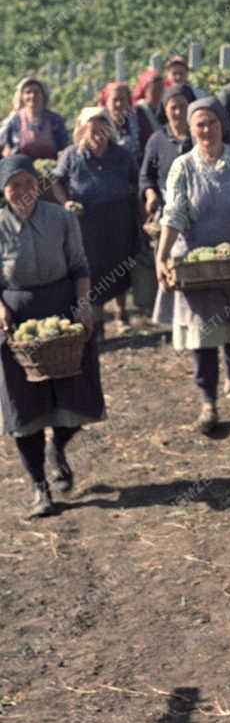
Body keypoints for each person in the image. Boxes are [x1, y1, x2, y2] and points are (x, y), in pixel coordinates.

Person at [154, 98, 230, 434]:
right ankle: (208, 402)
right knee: (203, 334)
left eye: (211, 123)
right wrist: (162, 255)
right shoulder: (183, 166)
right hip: (196, 263)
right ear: (191, 129)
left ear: (223, 124)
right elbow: (175, 214)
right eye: (199, 125)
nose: (205, 130)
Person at [0, 155, 104, 515]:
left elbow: (79, 267)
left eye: (28, 182)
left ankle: (58, 446)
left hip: (62, 315)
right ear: (3, 190)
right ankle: (39, 489)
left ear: (38, 184)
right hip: (17, 325)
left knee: (75, 394)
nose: (23, 191)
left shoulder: (60, 219)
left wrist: (82, 306)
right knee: (23, 406)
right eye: (14, 185)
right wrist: (2, 308)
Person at [51, 108, 140, 336]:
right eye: (92, 131)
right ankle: (97, 321)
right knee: (92, 268)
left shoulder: (121, 155)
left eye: (103, 129)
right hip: (87, 221)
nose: (98, 135)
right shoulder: (72, 155)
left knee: (119, 264)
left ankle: (122, 314)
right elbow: (56, 181)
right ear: (82, 132)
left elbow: (136, 182)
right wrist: (66, 203)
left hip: (118, 217)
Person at [139, 85, 193, 218]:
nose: (178, 112)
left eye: (183, 106)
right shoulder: (157, 140)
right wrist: (151, 194)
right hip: (168, 209)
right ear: (165, 110)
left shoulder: (199, 137)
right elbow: (146, 176)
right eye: (173, 108)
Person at [1, 78, 69, 160]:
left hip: (51, 168)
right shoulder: (14, 121)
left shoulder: (55, 120)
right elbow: (6, 148)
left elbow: (64, 148)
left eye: (36, 92)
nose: (32, 96)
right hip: (20, 169)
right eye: (28, 92)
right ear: (22, 96)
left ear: (43, 96)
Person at [98, 81, 153, 162]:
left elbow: (148, 147)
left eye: (122, 99)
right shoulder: (99, 121)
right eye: (115, 100)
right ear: (107, 102)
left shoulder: (138, 118)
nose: (119, 104)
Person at [159, 56, 197, 121]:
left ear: (187, 74)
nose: (178, 77)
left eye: (181, 73)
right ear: (168, 74)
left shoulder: (197, 93)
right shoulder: (161, 94)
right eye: (174, 74)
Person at [133, 68, 165, 137]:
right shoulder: (139, 110)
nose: (158, 93)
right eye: (154, 90)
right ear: (145, 90)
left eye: (161, 89)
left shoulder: (164, 109)